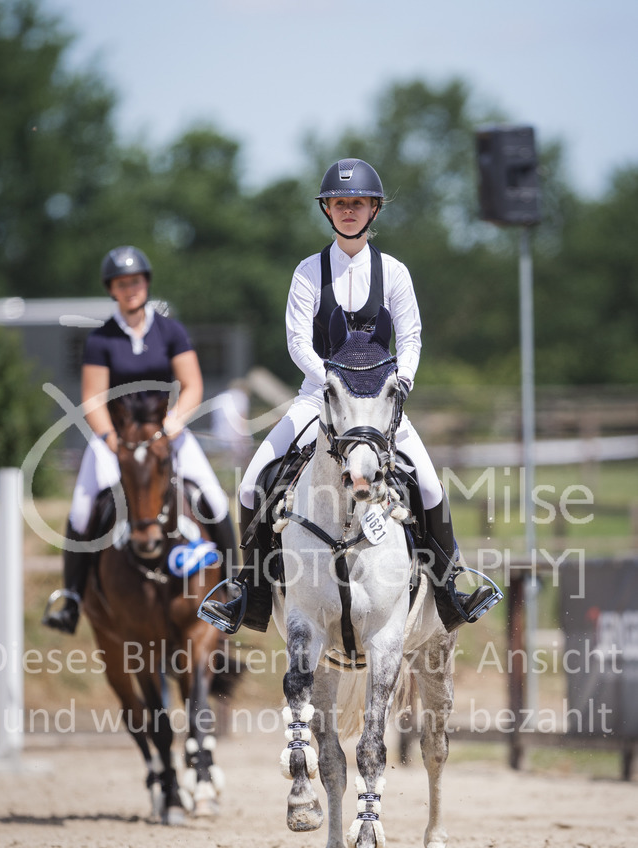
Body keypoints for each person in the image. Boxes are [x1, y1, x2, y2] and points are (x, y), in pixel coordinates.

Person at [200, 159, 501, 634]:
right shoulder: (307, 272)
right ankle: (249, 593)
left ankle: (450, 588)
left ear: (373, 209)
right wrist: (332, 384)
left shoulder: (395, 272)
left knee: (428, 485)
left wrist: (402, 381)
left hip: (380, 406)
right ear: (327, 209)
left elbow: (413, 338)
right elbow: (298, 342)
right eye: (340, 203)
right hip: (318, 399)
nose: (348, 210)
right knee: (250, 482)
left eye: (357, 203)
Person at [43, 245, 237, 634]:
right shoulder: (102, 339)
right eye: (121, 283)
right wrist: (110, 439)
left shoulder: (170, 331)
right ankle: (72, 598)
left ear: (145, 283)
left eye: (135, 281)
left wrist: (175, 422)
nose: (129, 288)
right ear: (111, 289)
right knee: (82, 509)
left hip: (167, 433)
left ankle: (233, 590)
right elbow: (93, 398)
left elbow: (192, 384)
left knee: (214, 498)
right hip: (116, 439)